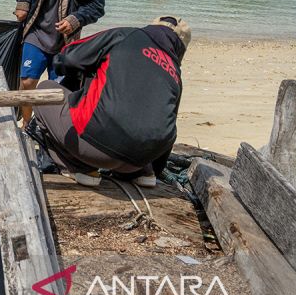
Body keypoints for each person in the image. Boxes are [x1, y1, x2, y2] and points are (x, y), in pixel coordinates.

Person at [32, 16, 192, 188]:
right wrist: (154, 168)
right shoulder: (175, 74)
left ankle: (79, 168)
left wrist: (70, 72)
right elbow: (169, 127)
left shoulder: (126, 35)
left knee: (45, 89)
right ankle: (144, 174)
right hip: (139, 161)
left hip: (95, 148)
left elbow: (69, 57)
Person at [15, 0, 105, 134]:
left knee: (57, 91)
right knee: (27, 83)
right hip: (35, 31)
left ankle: (48, 130)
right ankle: (27, 124)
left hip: (65, 42)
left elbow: (97, 6)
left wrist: (75, 20)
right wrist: (23, 3)